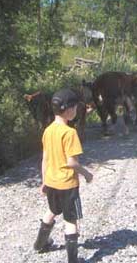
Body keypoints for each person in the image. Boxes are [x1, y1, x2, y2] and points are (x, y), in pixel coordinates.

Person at [33, 88, 93, 263]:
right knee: (70, 220)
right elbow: (72, 163)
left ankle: (40, 244)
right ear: (68, 109)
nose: (76, 111)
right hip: (67, 184)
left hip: (51, 181)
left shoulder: (48, 130)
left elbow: (44, 158)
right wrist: (87, 174)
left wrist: (44, 181)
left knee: (52, 210)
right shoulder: (70, 133)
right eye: (75, 108)